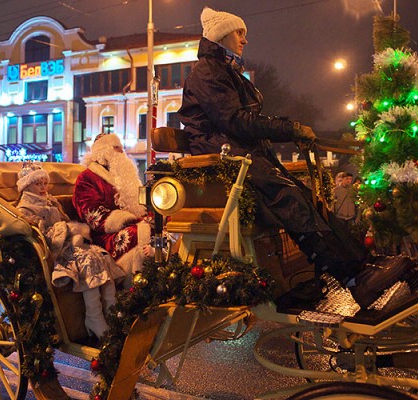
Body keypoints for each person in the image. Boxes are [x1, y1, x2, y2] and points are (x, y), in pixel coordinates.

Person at [178, 7, 377, 308]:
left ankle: (360, 266)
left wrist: (290, 131)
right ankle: (348, 275)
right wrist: (288, 128)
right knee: (288, 196)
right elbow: (236, 121)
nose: (245, 39)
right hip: (224, 160)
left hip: (240, 156)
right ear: (221, 36)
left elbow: (242, 121)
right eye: (239, 33)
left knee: (305, 195)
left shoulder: (227, 72)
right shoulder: (207, 73)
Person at [16, 161, 125, 338]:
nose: (43, 187)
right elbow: (40, 237)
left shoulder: (52, 201)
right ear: (27, 185)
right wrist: (67, 231)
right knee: (89, 261)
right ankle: (94, 317)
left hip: (70, 245)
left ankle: (112, 314)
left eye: (45, 183)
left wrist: (73, 231)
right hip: (55, 252)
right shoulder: (25, 209)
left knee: (101, 256)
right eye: (38, 183)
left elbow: (66, 221)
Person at [72, 133, 152, 283]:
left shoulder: (120, 175)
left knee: (156, 228)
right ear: (104, 151)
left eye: (121, 148)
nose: (122, 152)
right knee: (134, 234)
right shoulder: (86, 178)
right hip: (103, 236)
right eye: (117, 148)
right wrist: (128, 219)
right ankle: (134, 284)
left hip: (128, 225)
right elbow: (94, 215)